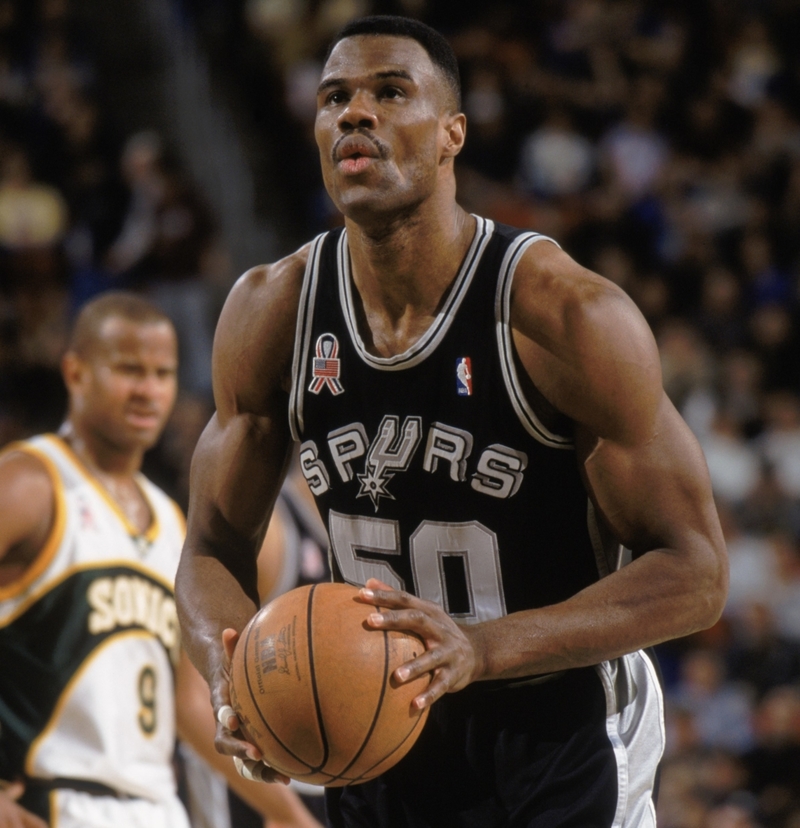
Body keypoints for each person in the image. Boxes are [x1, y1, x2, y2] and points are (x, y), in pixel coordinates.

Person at [175, 15, 728, 828]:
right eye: (335, 99)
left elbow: (695, 573)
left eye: (390, 92)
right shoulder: (274, 311)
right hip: (373, 719)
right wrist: (235, 678)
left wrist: (479, 649)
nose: (353, 114)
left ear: (451, 134)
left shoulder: (562, 314)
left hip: (554, 722)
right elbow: (208, 549)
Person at [0, 292, 323, 828]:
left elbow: (187, 703)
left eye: (162, 373)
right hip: (52, 799)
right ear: (76, 373)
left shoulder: (171, 520)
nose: (148, 391)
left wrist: (289, 814)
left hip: (157, 808)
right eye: (129, 370)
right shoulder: (29, 483)